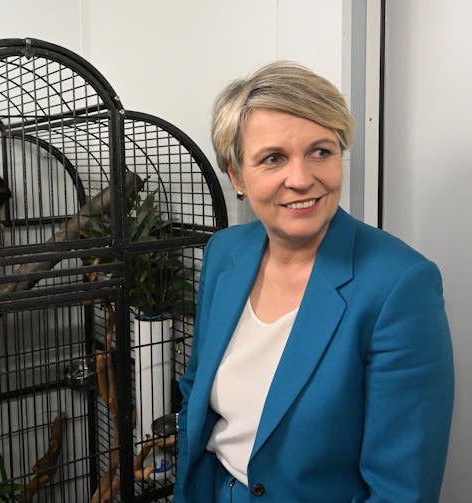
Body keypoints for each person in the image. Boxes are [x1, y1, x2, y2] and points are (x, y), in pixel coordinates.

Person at [174, 61, 454, 502]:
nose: (302, 179)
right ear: (237, 176)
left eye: (321, 151)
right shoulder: (224, 252)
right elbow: (196, 392)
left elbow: (402, 489)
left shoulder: (400, 285)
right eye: (273, 159)